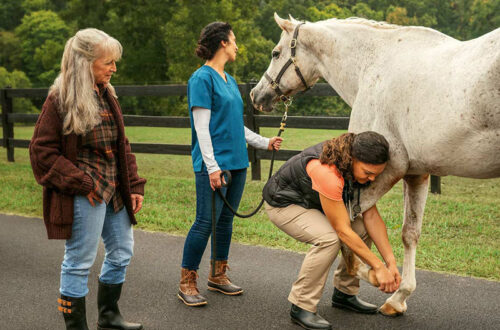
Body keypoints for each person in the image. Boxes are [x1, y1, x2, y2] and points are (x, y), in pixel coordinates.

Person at [29, 28, 146, 330]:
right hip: (85, 193)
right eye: (107, 62)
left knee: (121, 252)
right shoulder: (60, 100)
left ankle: (109, 317)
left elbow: (122, 144)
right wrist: (82, 182)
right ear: (85, 63)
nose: (114, 68)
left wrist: (133, 184)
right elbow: (41, 153)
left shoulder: (106, 94)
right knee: (79, 261)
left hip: (115, 191)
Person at [178, 21, 283, 307]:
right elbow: (201, 128)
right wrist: (211, 167)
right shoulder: (201, 79)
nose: (237, 45)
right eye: (233, 40)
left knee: (225, 222)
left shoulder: (230, 81)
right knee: (204, 223)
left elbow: (237, 125)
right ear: (222, 42)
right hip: (215, 165)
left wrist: (265, 142)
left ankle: (218, 275)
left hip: (237, 163)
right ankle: (187, 281)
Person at [263, 132, 401, 330]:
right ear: (352, 158)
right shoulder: (327, 172)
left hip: (316, 202)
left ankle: (345, 293)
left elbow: (371, 216)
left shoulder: (357, 168)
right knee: (328, 239)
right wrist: (378, 267)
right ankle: (302, 305)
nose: (371, 179)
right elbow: (342, 231)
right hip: (285, 204)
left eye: (376, 175)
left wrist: (391, 263)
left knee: (362, 228)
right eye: (368, 173)